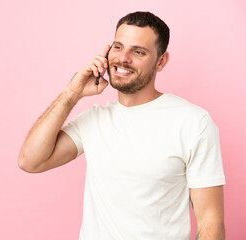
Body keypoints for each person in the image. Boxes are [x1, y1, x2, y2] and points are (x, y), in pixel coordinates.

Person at [18, 11, 225, 240]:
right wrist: (72, 93)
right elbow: (31, 161)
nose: (123, 58)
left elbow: (210, 222)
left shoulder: (194, 123)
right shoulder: (94, 118)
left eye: (138, 51)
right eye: (117, 47)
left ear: (161, 61)